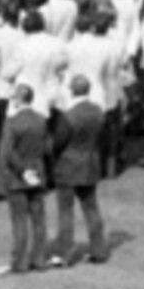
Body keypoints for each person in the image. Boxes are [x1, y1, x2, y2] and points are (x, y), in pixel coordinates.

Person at [46, 75, 106, 265]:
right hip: (89, 164)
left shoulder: (70, 116)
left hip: (68, 167)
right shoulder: (98, 112)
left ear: (72, 90)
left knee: (66, 211)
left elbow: (58, 142)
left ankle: (63, 253)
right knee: (91, 208)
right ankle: (99, 249)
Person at [0, 84, 50, 274]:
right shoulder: (41, 121)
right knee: (39, 220)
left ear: (18, 100)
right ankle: (39, 259)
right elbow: (47, 148)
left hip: (17, 178)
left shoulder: (11, 122)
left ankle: (20, 262)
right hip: (38, 174)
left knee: (19, 221)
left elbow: (8, 152)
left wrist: (22, 170)